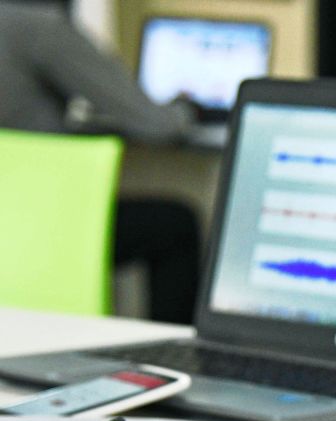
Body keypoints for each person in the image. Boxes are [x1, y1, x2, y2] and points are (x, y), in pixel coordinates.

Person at [0, 0, 200, 323]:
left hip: (11, 224)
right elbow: (157, 125)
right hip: (40, 226)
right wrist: (184, 110)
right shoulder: (39, 26)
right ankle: (172, 354)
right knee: (177, 225)